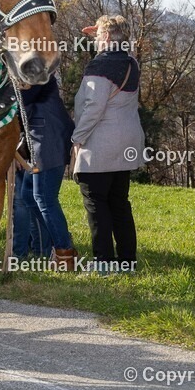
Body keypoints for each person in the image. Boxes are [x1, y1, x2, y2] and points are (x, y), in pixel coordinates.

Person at [72, 15, 145, 275]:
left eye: (97, 35)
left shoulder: (100, 65)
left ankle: (103, 261)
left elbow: (94, 107)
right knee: (119, 203)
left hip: (100, 144)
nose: (93, 40)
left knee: (96, 202)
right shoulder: (131, 62)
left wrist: (76, 138)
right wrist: (104, 27)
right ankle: (127, 261)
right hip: (126, 144)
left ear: (104, 37)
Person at [13, 75, 78, 267]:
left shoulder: (36, 70)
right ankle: (56, 243)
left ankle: (65, 254)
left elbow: (20, 103)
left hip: (49, 140)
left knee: (44, 198)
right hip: (39, 140)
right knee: (28, 195)